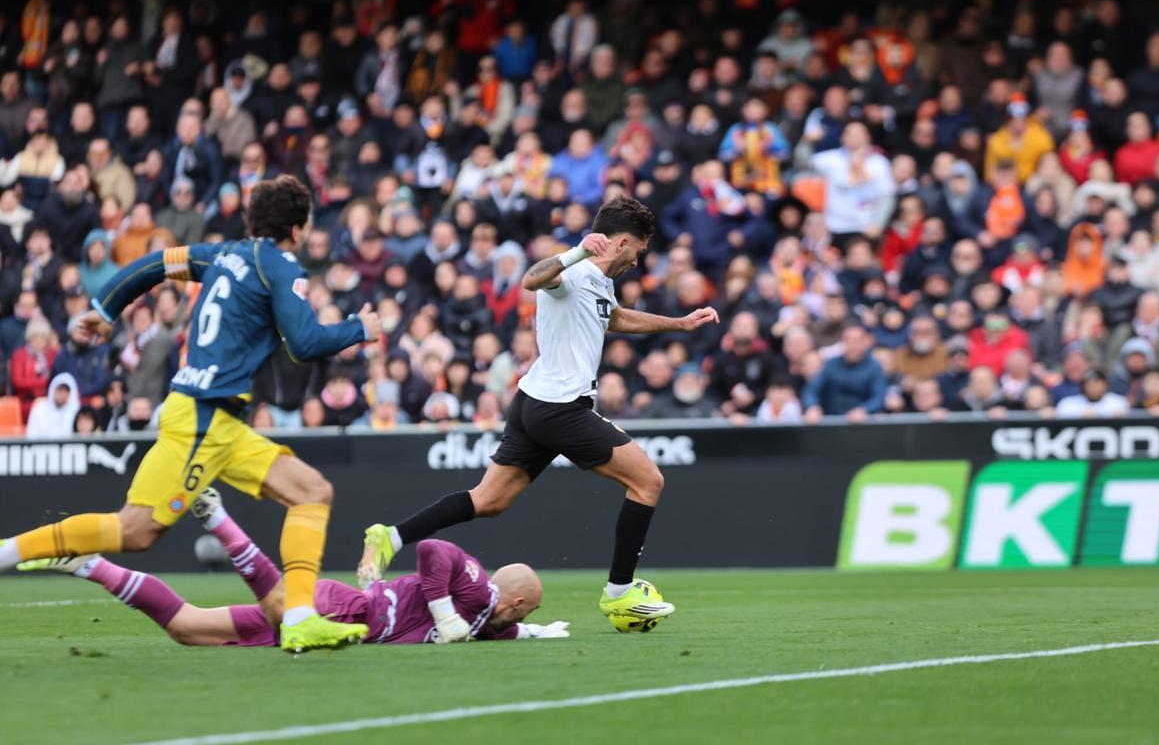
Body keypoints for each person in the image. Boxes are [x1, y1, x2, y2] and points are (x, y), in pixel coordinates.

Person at [0, 176, 383, 654]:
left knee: (311, 491)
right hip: (206, 420)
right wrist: (357, 327)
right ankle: (9, 552)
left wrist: (105, 308)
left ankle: (301, 617)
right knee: (135, 531)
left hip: (213, 419)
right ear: (299, 227)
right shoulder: (281, 267)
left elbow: (153, 265)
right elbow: (304, 344)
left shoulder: (220, 255)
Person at [359, 196, 720, 628]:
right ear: (622, 243)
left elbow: (615, 318)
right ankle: (620, 594)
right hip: (560, 408)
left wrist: (678, 323)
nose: (638, 263)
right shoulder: (573, 272)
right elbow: (532, 279)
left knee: (487, 500)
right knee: (648, 481)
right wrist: (578, 251)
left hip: (533, 403)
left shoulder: (600, 283)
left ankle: (390, 536)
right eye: (638, 252)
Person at [19, 489, 567, 647]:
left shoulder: (498, 622)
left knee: (188, 630)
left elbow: (511, 630)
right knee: (282, 603)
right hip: (347, 608)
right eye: (530, 609)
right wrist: (445, 613)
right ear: (513, 599)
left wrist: (542, 630)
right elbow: (434, 553)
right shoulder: (478, 591)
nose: (523, 617)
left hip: (348, 621)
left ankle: (89, 565)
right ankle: (220, 519)